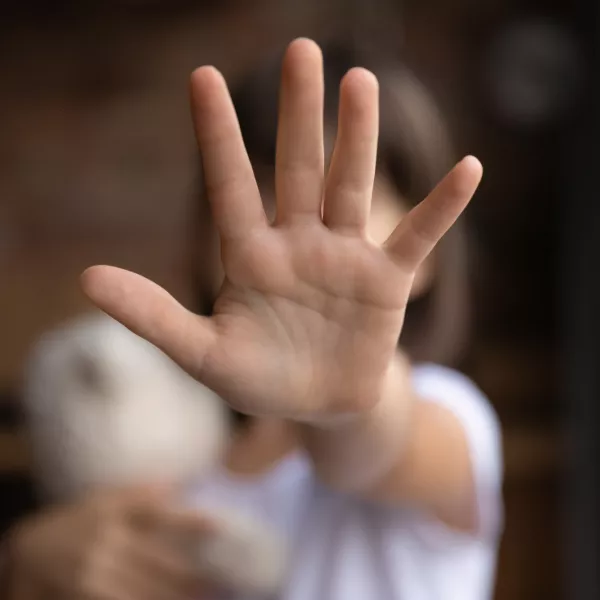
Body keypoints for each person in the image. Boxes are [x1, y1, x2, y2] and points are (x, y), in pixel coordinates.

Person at [3, 38, 502, 600]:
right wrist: (23, 567)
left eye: (340, 202)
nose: (291, 233)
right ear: (197, 234)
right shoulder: (180, 456)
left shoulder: (453, 417)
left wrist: (341, 401)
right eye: (261, 187)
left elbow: (377, 446)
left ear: (428, 257)